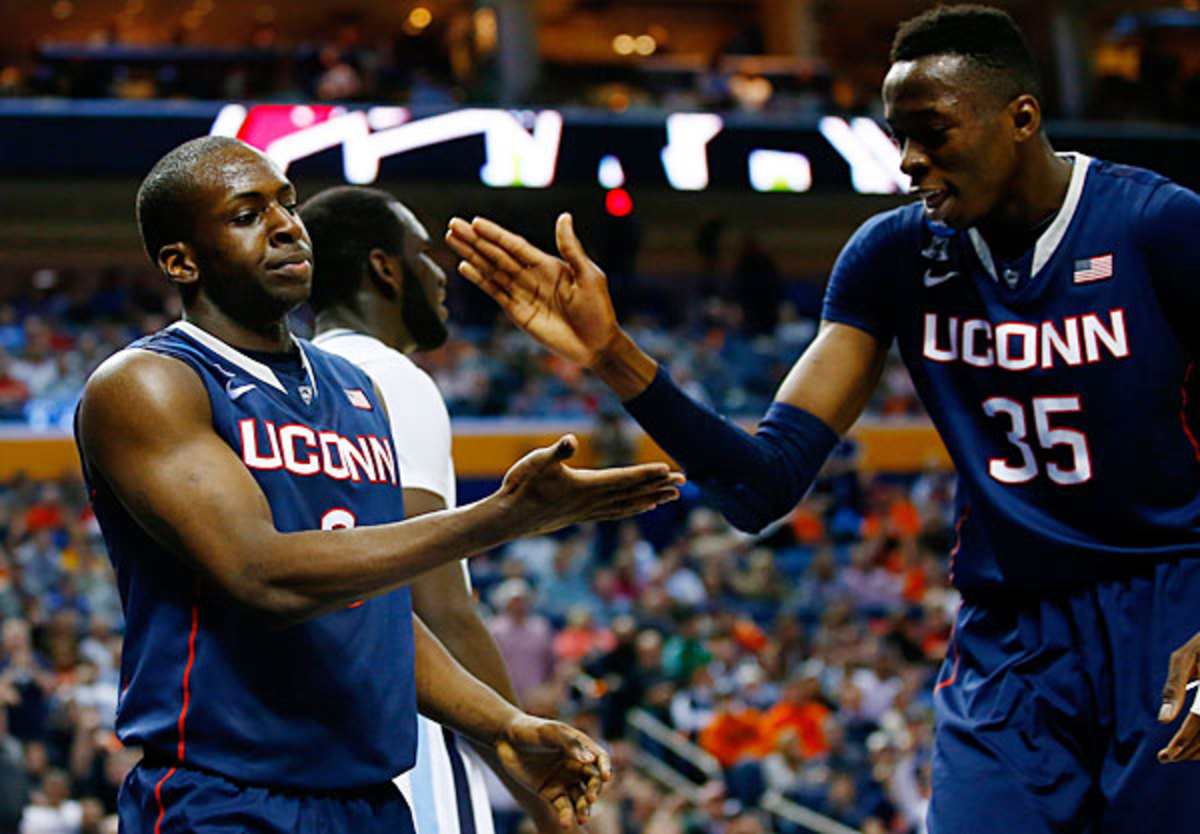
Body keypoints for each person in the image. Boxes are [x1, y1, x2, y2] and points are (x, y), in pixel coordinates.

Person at [445, 5, 1200, 831]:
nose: (910, 160)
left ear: (1021, 118)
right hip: (1011, 637)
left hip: (1171, 605)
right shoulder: (895, 256)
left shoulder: (1157, 225)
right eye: (897, 136)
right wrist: (613, 355)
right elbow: (760, 487)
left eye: (933, 131)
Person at [74, 135, 684, 832]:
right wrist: (501, 517)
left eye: (288, 204)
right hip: (226, 795)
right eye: (247, 215)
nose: (284, 227)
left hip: (369, 797)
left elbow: (375, 610)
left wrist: (503, 725)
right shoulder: (149, 382)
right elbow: (262, 575)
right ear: (180, 261)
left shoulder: (356, 389)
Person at [300, 184, 565, 833]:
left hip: (303, 738)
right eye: (422, 253)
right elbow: (437, 602)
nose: (438, 272)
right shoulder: (390, 379)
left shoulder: (286, 380)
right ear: (384, 268)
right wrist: (540, 787)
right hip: (404, 728)